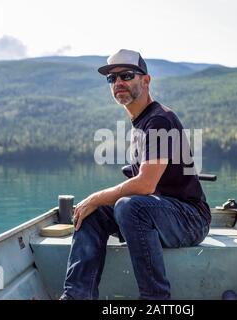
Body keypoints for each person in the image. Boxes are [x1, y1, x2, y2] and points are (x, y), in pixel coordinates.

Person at [60, 49, 211, 300]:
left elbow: (145, 185)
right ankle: (77, 296)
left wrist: (97, 196)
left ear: (146, 80)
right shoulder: (140, 124)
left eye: (127, 75)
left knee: (130, 206)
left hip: (191, 219)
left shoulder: (159, 120)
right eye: (112, 79)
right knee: (90, 213)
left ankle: (155, 300)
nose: (118, 82)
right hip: (160, 213)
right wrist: (94, 203)